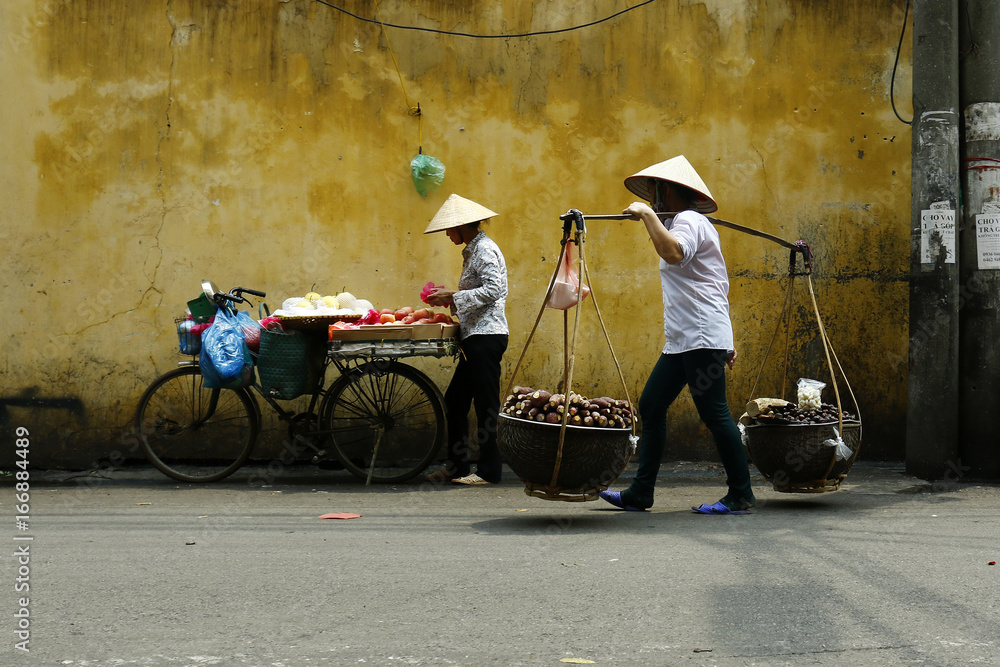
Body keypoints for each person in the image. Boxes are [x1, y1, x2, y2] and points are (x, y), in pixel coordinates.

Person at [600, 155, 756, 514]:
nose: (653, 198)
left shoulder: (688, 220)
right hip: (686, 339)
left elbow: (673, 253)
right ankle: (641, 493)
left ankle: (742, 494)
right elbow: (710, 281)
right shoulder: (687, 222)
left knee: (715, 414)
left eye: (656, 192)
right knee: (652, 405)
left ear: (668, 190)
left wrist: (646, 216)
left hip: (700, 337)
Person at [422, 194, 509, 486]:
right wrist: (453, 299)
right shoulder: (473, 251)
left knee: (486, 404)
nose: (447, 234)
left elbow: (493, 290)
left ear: (462, 226)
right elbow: (481, 290)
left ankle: (488, 471)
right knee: (456, 400)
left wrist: (454, 296)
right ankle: (457, 466)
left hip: (487, 336)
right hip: (475, 337)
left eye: (449, 229)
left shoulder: (484, 250)